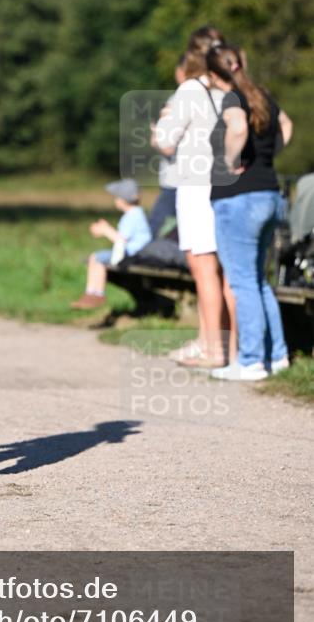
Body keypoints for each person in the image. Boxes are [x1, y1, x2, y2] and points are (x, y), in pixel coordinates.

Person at [207, 43, 293, 380]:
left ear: (215, 74)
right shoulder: (263, 96)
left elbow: (239, 128)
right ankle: (278, 355)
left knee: (243, 282)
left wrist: (230, 163)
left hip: (239, 200)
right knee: (258, 281)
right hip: (269, 194)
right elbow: (287, 125)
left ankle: (252, 361)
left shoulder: (232, 100)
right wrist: (266, 158)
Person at [152, 26, 235, 368]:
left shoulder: (189, 90)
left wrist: (158, 129)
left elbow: (167, 142)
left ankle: (211, 348)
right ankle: (223, 346)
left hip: (195, 186)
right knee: (225, 269)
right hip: (226, 185)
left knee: (203, 270)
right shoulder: (227, 89)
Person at [70, 179, 152, 309]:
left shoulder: (133, 216)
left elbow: (120, 240)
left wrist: (105, 230)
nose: (115, 201)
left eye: (117, 198)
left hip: (132, 255)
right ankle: (91, 293)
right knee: (95, 257)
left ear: (122, 200)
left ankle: (97, 293)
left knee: (98, 258)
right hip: (131, 253)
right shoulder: (135, 214)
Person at [148, 54, 186, 239]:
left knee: (153, 234)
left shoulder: (177, 99)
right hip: (198, 180)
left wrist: (156, 136)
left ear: (180, 72)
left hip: (175, 181)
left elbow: (168, 146)